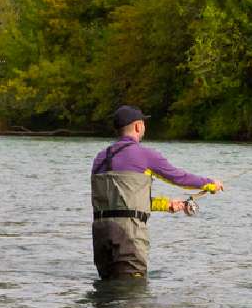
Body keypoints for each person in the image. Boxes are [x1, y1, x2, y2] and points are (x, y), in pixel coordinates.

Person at [90, 105, 224, 280]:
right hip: (129, 236)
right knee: (133, 292)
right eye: (144, 123)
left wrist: (166, 205)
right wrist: (210, 184)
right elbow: (178, 178)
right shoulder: (145, 155)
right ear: (138, 126)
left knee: (109, 294)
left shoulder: (100, 158)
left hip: (101, 235)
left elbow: (122, 203)